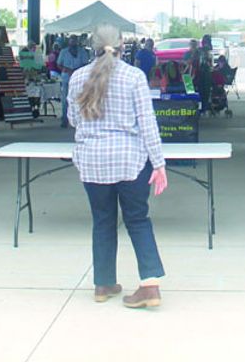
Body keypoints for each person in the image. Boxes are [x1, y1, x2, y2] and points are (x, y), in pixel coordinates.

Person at [68, 24, 167, 309]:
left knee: (102, 220)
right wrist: (158, 163)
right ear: (123, 45)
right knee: (138, 219)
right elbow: (148, 124)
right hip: (130, 162)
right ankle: (149, 287)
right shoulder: (134, 76)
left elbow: (73, 119)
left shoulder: (77, 78)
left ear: (92, 46)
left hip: (92, 161)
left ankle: (103, 283)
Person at [58, 34, 90, 129]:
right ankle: (65, 119)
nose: (73, 42)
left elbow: (85, 64)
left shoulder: (82, 51)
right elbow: (59, 64)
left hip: (79, 78)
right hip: (66, 78)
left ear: (77, 41)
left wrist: (76, 70)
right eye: (72, 40)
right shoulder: (63, 52)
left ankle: (80, 119)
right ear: (69, 41)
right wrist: (67, 70)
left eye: (75, 40)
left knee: (81, 99)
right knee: (65, 99)